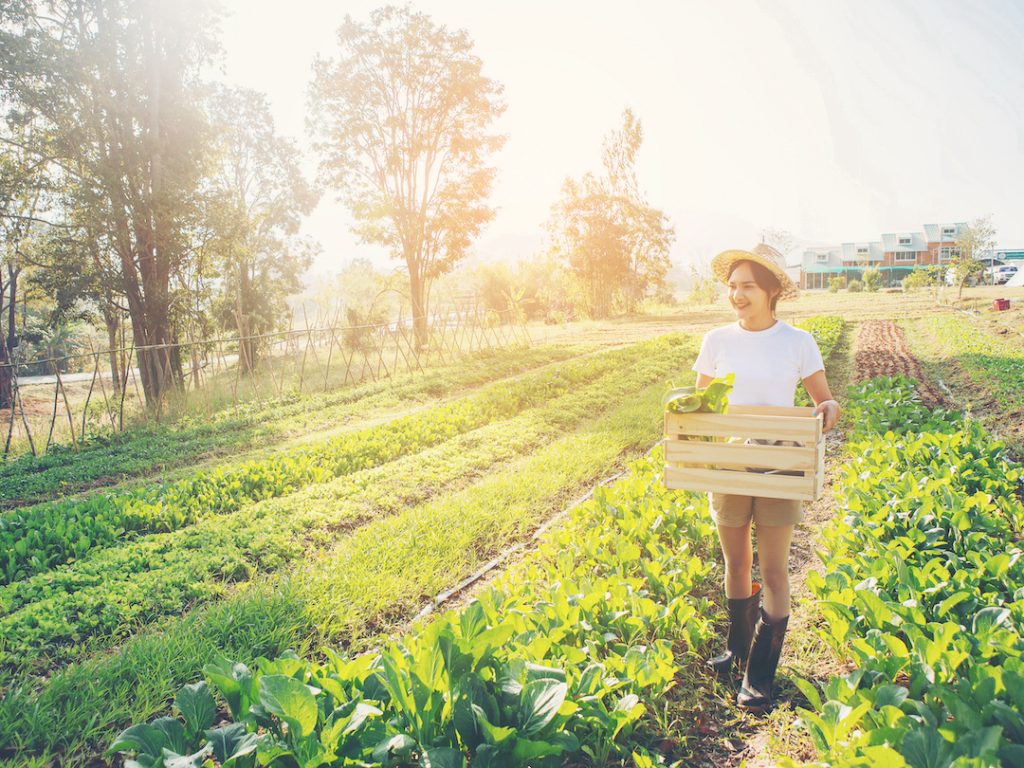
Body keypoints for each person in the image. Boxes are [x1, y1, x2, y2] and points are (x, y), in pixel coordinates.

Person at [692, 244, 841, 713]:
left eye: (747, 286)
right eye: (732, 286)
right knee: (736, 564)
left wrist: (828, 411)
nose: (736, 294)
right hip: (730, 466)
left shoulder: (797, 341)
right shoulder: (716, 340)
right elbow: (703, 404)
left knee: (774, 570)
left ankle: (761, 673)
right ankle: (738, 652)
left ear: (772, 291)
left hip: (781, 465)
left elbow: (825, 402)